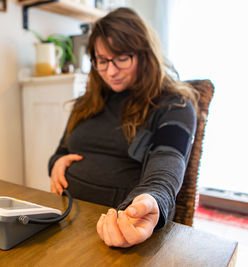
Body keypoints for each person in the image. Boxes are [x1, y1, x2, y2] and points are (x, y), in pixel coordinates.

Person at [48, 7, 199, 248]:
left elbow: (167, 163)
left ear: (144, 54)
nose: (111, 71)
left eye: (121, 58)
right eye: (102, 60)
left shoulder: (175, 105)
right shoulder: (86, 103)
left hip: (123, 226)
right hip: (67, 218)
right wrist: (56, 163)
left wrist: (151, 200)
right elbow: (61, 151)